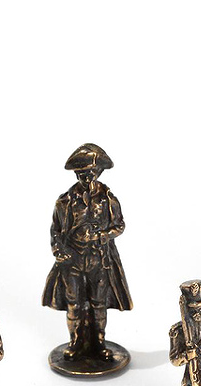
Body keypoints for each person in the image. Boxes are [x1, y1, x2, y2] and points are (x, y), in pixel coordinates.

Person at [42, 143, 133, 360]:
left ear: (99, 172)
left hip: (98, 259)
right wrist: (58, 249)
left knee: (98, 303)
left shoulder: (108, 199)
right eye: (82, 174)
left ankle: (99, 342)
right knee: (74, 304)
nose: (87, 178)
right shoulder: (65, 201)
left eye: (91, 173)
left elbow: (119, 225)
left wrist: (101, 235)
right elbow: (56, 230)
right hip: (72, 260)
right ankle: (75, 342)